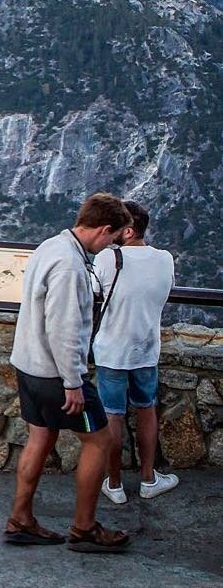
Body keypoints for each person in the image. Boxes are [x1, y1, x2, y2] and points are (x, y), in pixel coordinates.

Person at [6, 192, 132, 553]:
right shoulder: (70, 266)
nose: (109, 246)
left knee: (40, 437)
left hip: (28, 366)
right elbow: (64, 328)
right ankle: (85, 527)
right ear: (104, 229)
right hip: (56, 375)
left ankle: (20, 520)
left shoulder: (51, 245)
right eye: (112, 238)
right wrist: (73, 382)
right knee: (100, 441)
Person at [93, 200, 179, 504]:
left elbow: (92, 293)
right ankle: (148, 479)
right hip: (146, 349)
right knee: (146, 410)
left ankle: (113, 484)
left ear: (128, 231)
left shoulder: (107, 259)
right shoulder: (165, 259)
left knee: (113, 417)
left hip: (111, 351)